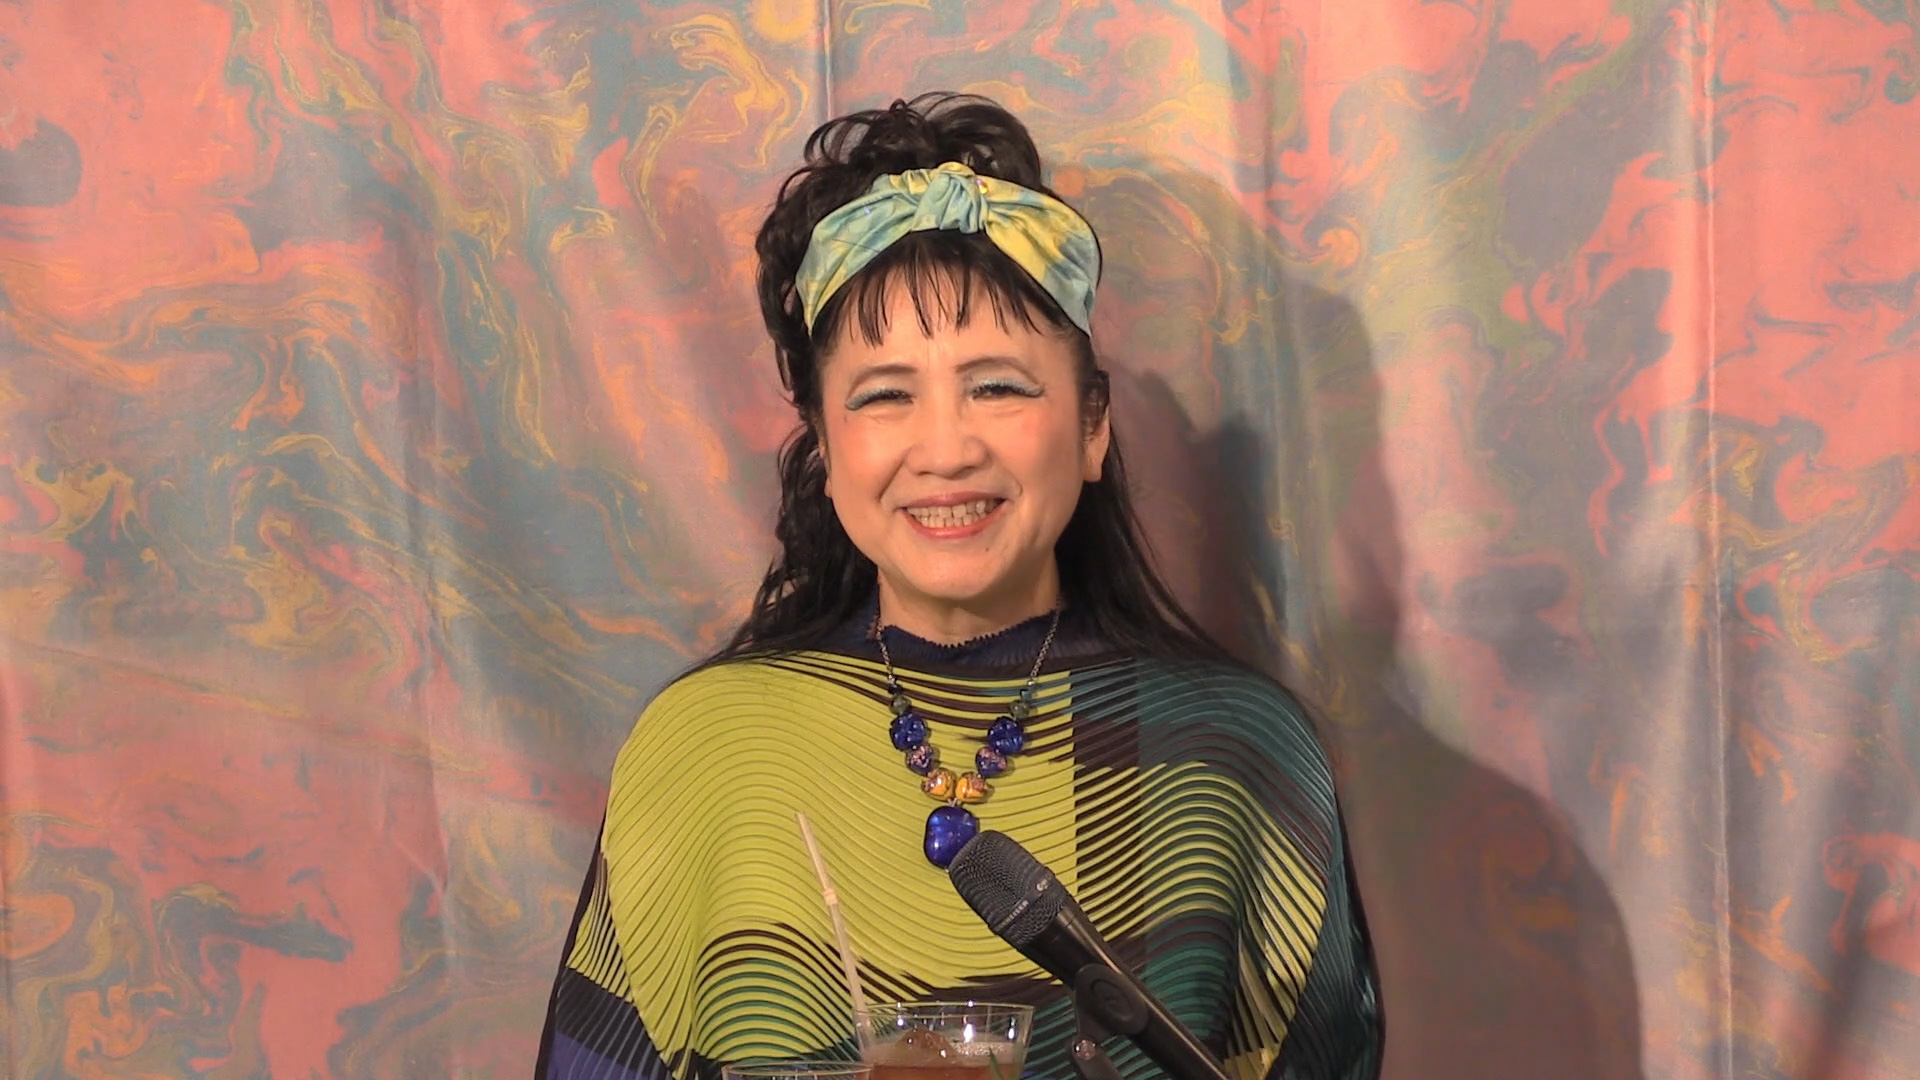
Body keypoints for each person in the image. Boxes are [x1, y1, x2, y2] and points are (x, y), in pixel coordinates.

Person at [536, 92, 1382, 1080]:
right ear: (824, 444)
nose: (945, 449)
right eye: (885, 395)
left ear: (1092, 426)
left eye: (997, 386)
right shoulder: (701, 750)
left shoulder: (1242, 756)